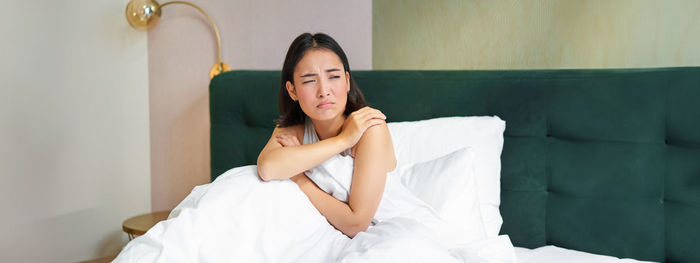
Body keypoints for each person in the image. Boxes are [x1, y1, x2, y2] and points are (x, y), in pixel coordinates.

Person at [256, 32, 397, 238]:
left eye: (334, 77)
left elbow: (356, 224)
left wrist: (299, 177)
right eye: (309, 80)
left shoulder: (371, 128)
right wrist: (343, 140)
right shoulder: (292, 129)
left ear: (347, 81)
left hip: (394, 229)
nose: (324, 91)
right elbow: (267, 168)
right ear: (292, 90)